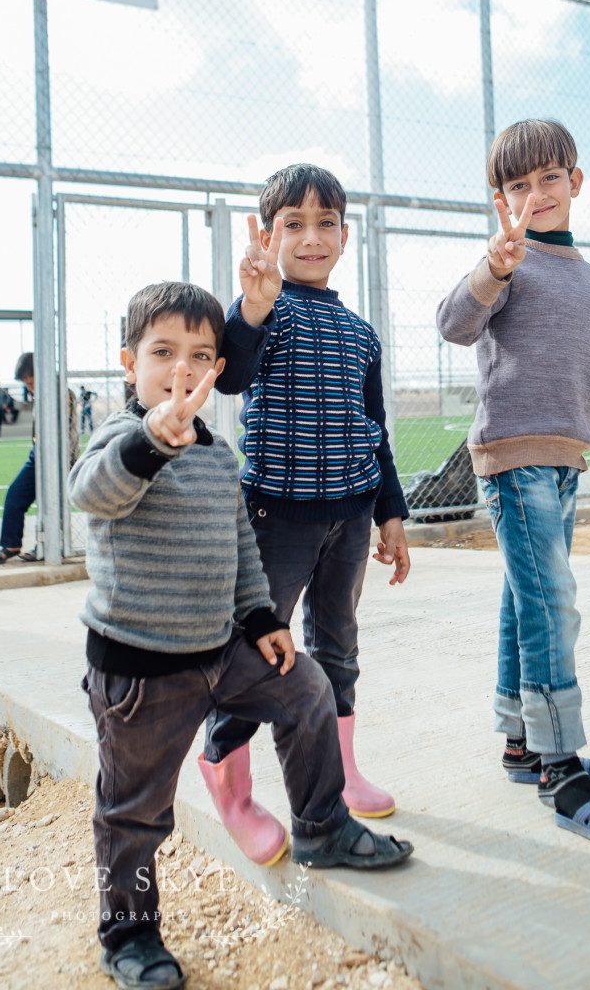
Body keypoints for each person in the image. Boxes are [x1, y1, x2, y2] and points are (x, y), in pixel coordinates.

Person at [71, 281, 412, 989]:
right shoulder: (119, 438)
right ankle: (128, 931)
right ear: (128, 362)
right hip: (140, 671)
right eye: (163, 353)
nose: (182, 369)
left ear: (219, 370)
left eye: (200, 354)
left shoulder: (221, 455)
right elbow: (92, 493)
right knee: (134, 812)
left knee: (309, 689)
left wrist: (260, 617)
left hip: (219, 650)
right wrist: (150, 439)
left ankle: (321, 828)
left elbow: (237, 545)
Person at [437, 119, 590, 850]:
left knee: (523, 598)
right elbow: (452, 323)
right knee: (551, 602)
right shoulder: (508, 262)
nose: (533, 195)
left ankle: (520, 741)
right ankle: (559, 766)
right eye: (515, 185)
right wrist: (491, 269)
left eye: (546, 178)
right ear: (498, 198)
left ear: (575, 180)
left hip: (567, 462)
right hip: (511, 458)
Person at [201, 163, 410, 865]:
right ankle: (230, 787)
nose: (311, 237)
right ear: (268, 234)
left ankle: (340, 773)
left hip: (348, 520)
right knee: (256, 652)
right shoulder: (267, 309)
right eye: (294, 224)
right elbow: (230, 374)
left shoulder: (360, 333)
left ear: (345, 236)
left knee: (337, 649)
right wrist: (251, 306)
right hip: (275, 518)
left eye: (325, 224)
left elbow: (373, 430)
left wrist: (389, 515)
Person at [0, 353, 79, 565]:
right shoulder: (42, 393)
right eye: (26, 384)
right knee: (15, 494)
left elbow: (65, 434)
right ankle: (11, 543)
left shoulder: (61, 393)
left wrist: (68, 462)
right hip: (38, 453)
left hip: (58, 455)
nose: (29, 388)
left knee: (51, 502)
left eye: (31, 382)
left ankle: (48, 545)